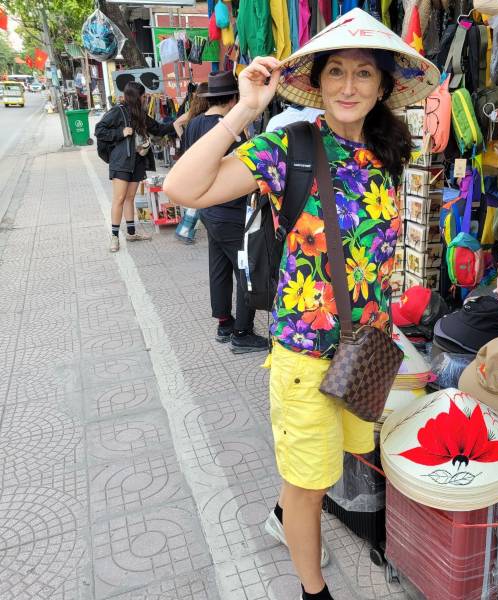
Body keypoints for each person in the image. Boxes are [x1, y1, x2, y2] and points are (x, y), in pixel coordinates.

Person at [164, 9, 437, 599]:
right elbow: (181, 189)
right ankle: (314, 589)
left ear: (383, 85)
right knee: (311, 483)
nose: (348, 85)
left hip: (365, 348)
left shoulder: (388, 153)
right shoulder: (292, 147)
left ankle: (284, 513)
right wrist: (244, 109)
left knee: (330, 462)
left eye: (363, 73)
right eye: (335, 71)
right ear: (316, 81)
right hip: (306, 356)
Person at [182, 71, 268, 353]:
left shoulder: (194, 123)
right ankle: (242, 332)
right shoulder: (228, 130)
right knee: (246, 268)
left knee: (219, 266)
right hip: (230, 211)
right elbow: (245, 170)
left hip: (207, 208)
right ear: (233, 99)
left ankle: (224, 323)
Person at [95, 81, 184, 253]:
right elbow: (99, 130)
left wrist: (178, 122)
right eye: (143, 96)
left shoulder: (140, 114)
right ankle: (114, 237)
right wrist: (120, 133)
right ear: (137, 97)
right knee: (119, 199)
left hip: (137, 162)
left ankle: (131, 233)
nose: (145, 99)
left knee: (130, 197)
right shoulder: (117, 111)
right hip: (121, 162)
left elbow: (158, 129)